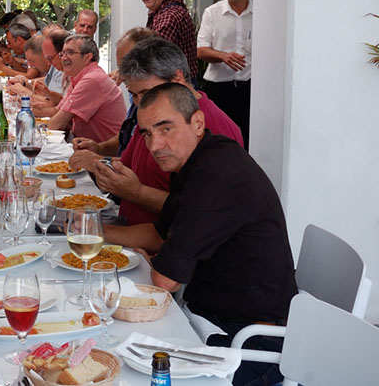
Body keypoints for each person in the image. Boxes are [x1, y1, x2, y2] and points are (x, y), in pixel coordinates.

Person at [101, 83, 297, 386]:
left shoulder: (215, 175)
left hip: (251, 341)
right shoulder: (199, 158)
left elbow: (165, 281)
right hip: (211, 316)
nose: (155, 145)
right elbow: (159, 234)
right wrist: (95, 233)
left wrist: (154, 262)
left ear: (197, 123)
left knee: (117, 364)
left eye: (166, 128)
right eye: (147, 133)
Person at [71, 37, 242, 226]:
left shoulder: (216, 128)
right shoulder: (151, 113)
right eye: (134, 95)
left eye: (146, 93)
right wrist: (97, 160)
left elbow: (201, 211)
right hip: (130, 233)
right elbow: (130, 166)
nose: (140, 103)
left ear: (177, 79)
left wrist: (135, 192)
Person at [74, 27, 157, 158]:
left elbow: (138, 167)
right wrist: (99, 148)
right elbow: (126, 138)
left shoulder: (158, 103)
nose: (121, 75)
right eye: (120, 68)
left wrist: (99, 160)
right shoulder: (137, 96)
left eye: (128, 66)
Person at [197, 0, 253, 149]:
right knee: (217, 142)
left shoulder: (260, 13)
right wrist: (223, 56)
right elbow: (200, 50)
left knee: (250, 139)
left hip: (250, 88)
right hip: (219, 88)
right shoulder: (212, 13)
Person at [48, 34, 127, 142]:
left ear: (87, 57)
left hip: (103, 151)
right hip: (87, 146)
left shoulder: (91, 80)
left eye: (70, 53)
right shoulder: (78, 77)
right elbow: (57, 111)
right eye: (63, 53)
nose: (64, 58)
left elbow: (55, 124)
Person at [138, 0, 198, 82]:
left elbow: (153, 54)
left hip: (177, 86)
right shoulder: (162, 11)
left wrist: (125, 71)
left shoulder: (170, 15)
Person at [31, 28, 70, 118]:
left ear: (62, 54)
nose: (49, 63)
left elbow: (64, 114)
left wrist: (29, 109)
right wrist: (48, 93)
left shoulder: (81, 76)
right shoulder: (66, 72)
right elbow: (63, 102)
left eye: (50, 58)